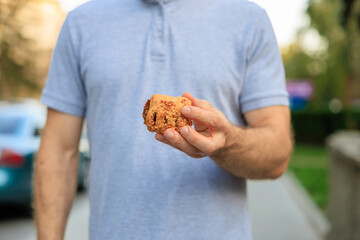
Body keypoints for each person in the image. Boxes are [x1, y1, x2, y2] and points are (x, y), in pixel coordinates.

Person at [34, 0, 292, 239]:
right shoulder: (81, 23)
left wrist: (227, 143)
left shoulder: (250, 20)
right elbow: (59, 150)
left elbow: (278, 154)